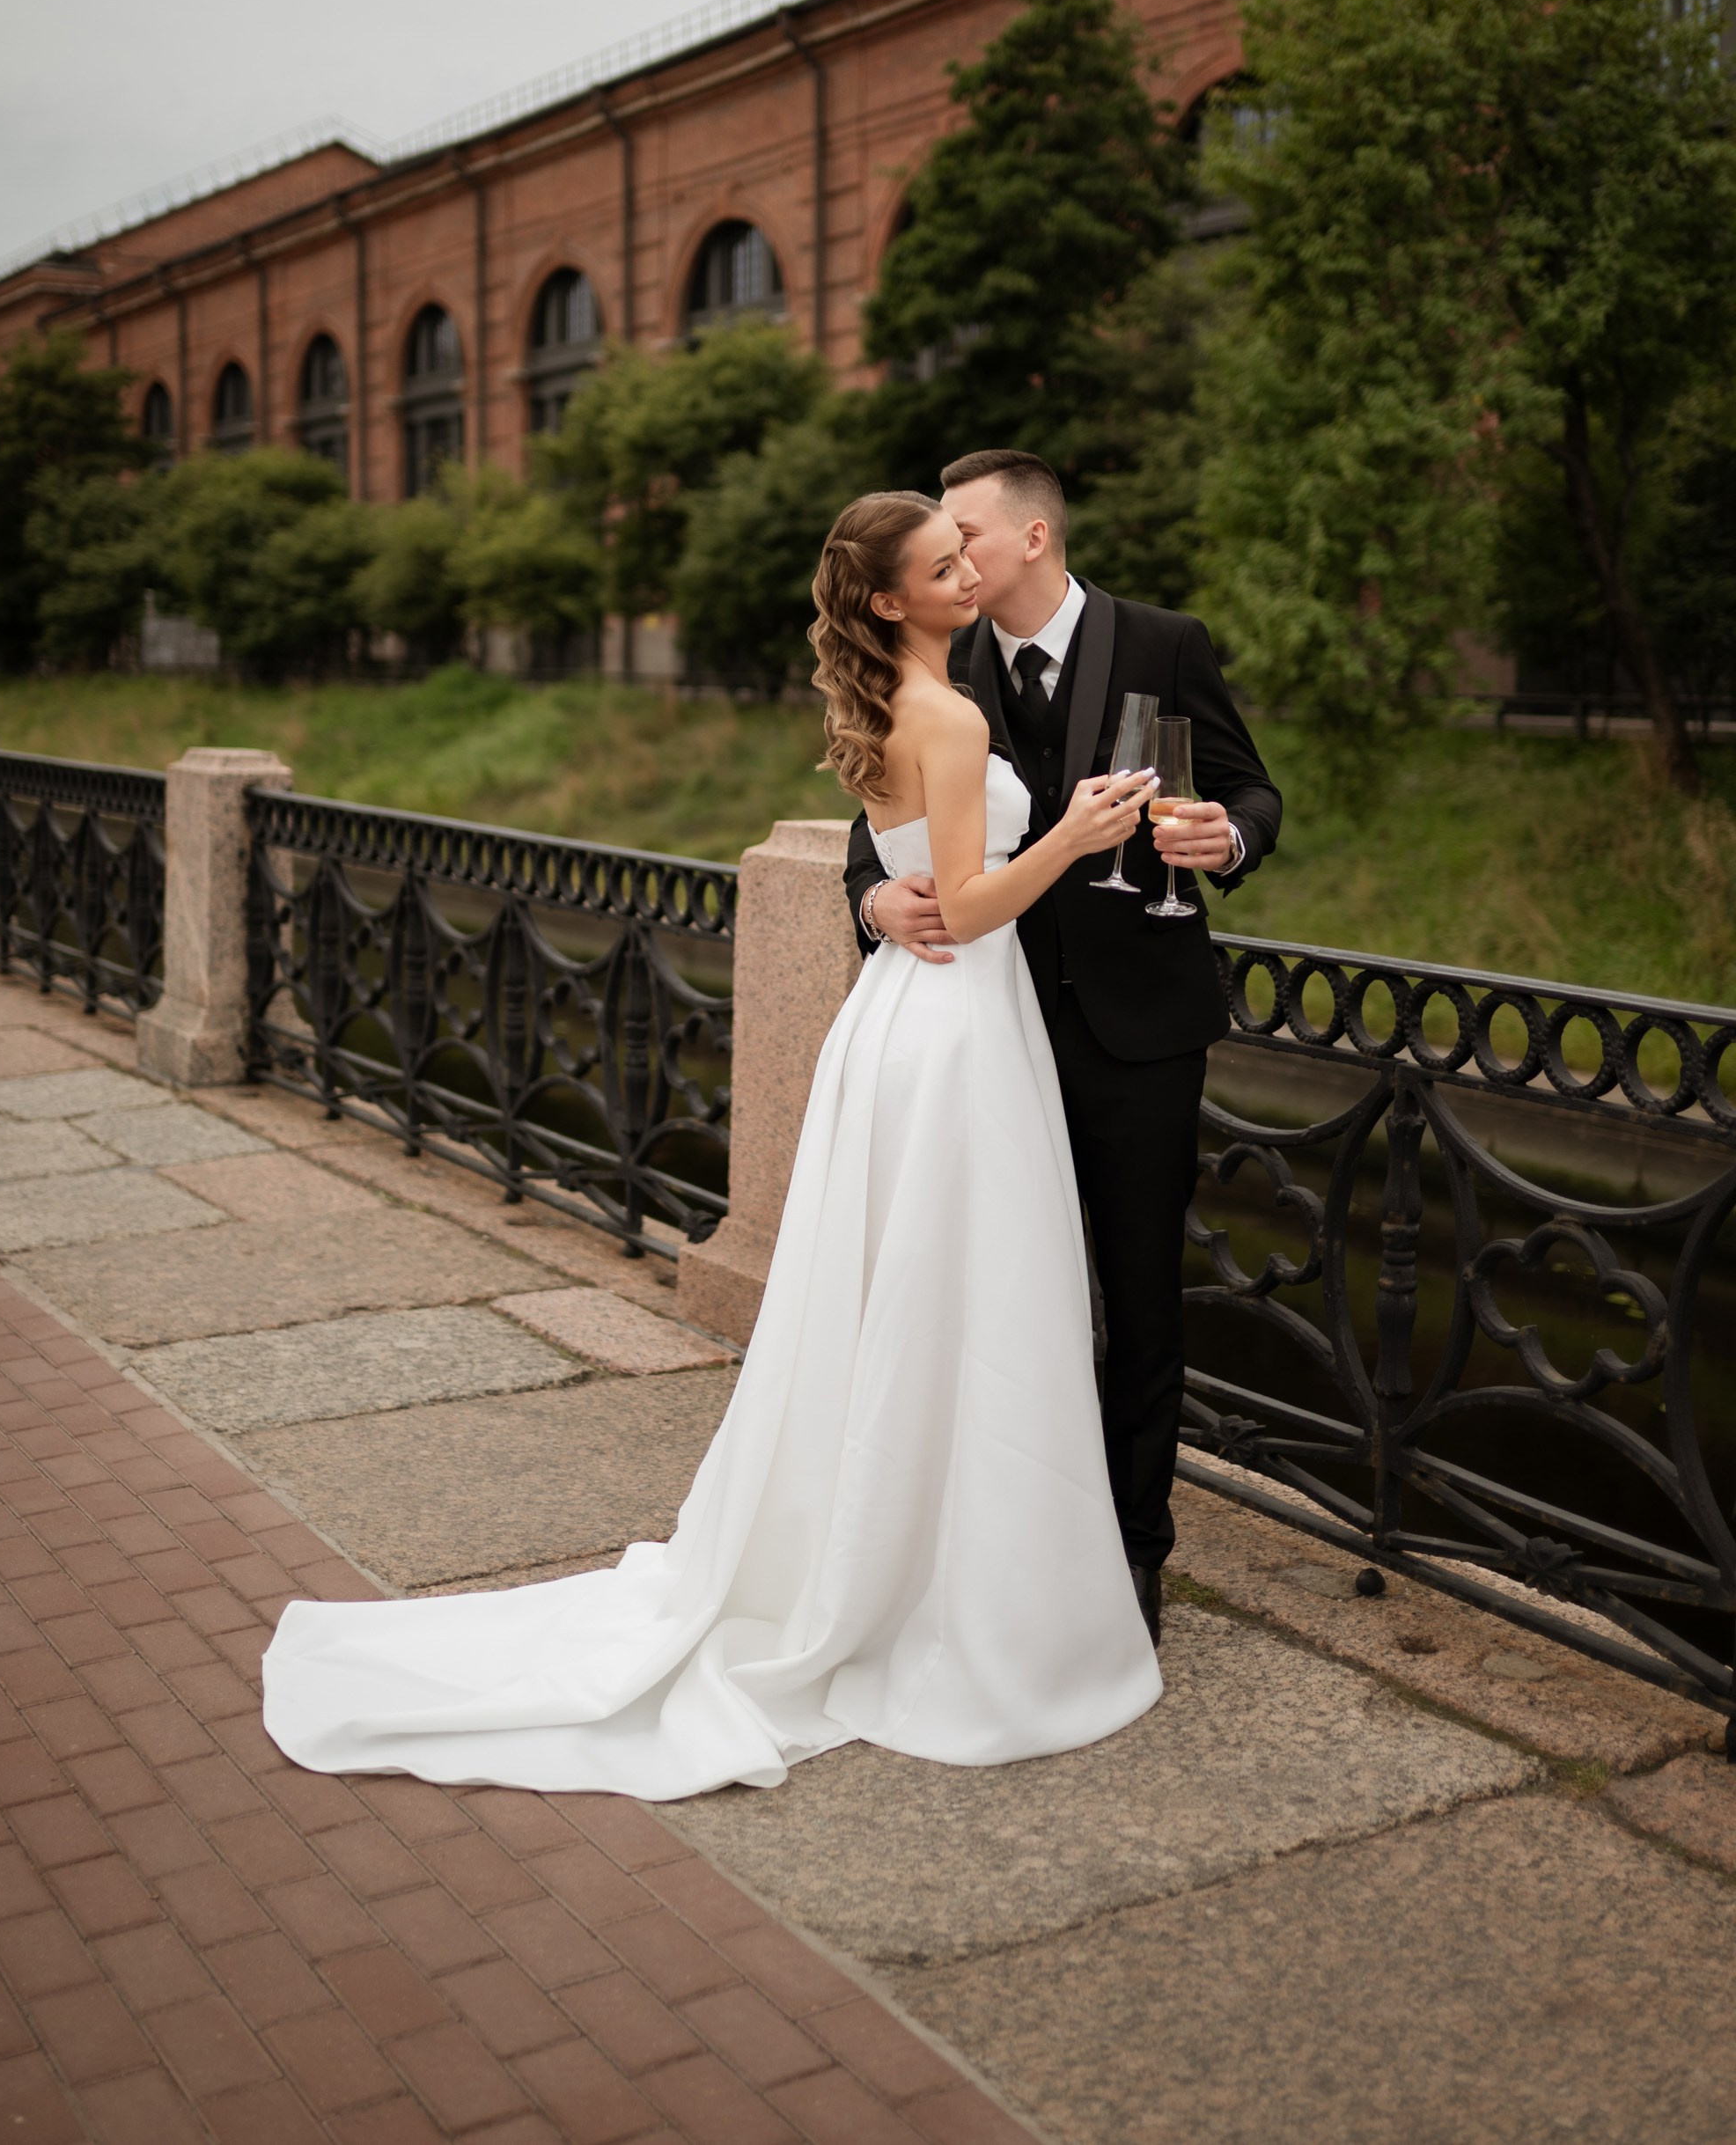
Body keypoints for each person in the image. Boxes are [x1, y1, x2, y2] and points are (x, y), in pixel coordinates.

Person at [260, 489, 1163, 1800]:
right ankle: (959, 1589)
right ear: (886, 601)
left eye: (965, 549)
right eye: (939, 562)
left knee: (914, 1299)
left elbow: (913, 867)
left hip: (902, 1026)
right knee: (965, 1297)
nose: (969, 568)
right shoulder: (955, 714)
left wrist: (897, 882)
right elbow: (964, 908)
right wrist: (1076, 833)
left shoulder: (897, 707)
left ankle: (914, 1550)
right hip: (959, 1026)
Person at [845, 451, 1281, 1639]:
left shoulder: (1164, 641)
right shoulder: (945, 661)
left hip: (1140, 1032)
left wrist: (1222, 844)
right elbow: (877, 832)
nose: (952, 556)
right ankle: (1005, 1546)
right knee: (1005, 1299)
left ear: (1033, 536)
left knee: (1141, 1300)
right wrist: (875, 905)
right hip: (995, 1031)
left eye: (966, 535)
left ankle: (1135, 1557)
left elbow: (1254, 793)